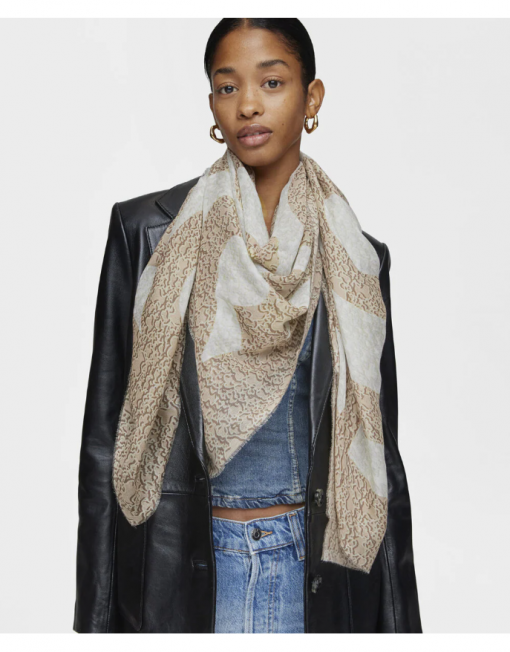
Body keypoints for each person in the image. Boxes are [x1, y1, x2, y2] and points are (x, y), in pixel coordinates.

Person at [74, 18, 422, 634]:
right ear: (212, 104)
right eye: (227, 86)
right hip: (182, 575)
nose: (249, 105)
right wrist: (95, 624)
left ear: (312, 98)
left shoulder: (358, 257)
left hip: (318, 577)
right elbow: (106, 441)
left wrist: (401, 630)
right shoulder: (148, 233)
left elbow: (379, 457)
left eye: (272, 82)